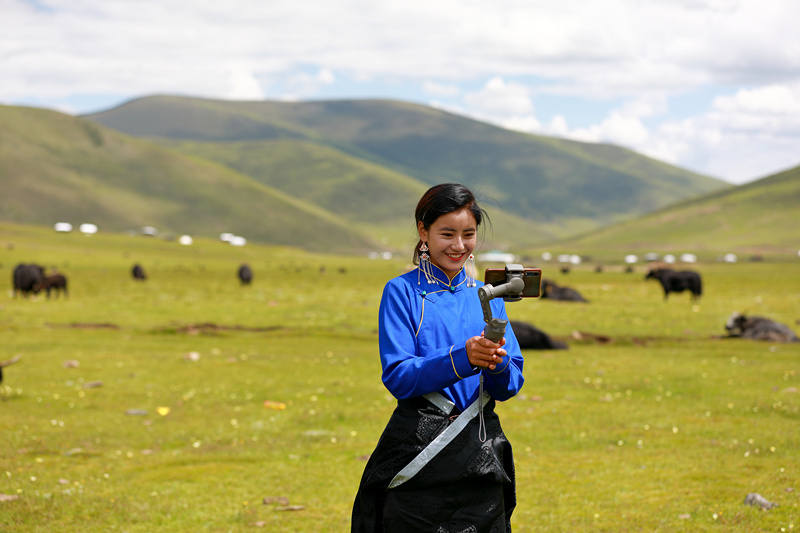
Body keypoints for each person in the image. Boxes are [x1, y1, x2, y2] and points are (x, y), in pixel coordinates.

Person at [352, 183, 524, 532]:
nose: (459, 246)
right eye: (447, 234)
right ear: (423, 232)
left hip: (480, 457)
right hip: (417, 454)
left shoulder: (488, 296)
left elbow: (510, 385)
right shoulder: (402, 292)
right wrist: (464, 358)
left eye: (468, 235)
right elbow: (399, 376)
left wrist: (497, 362)